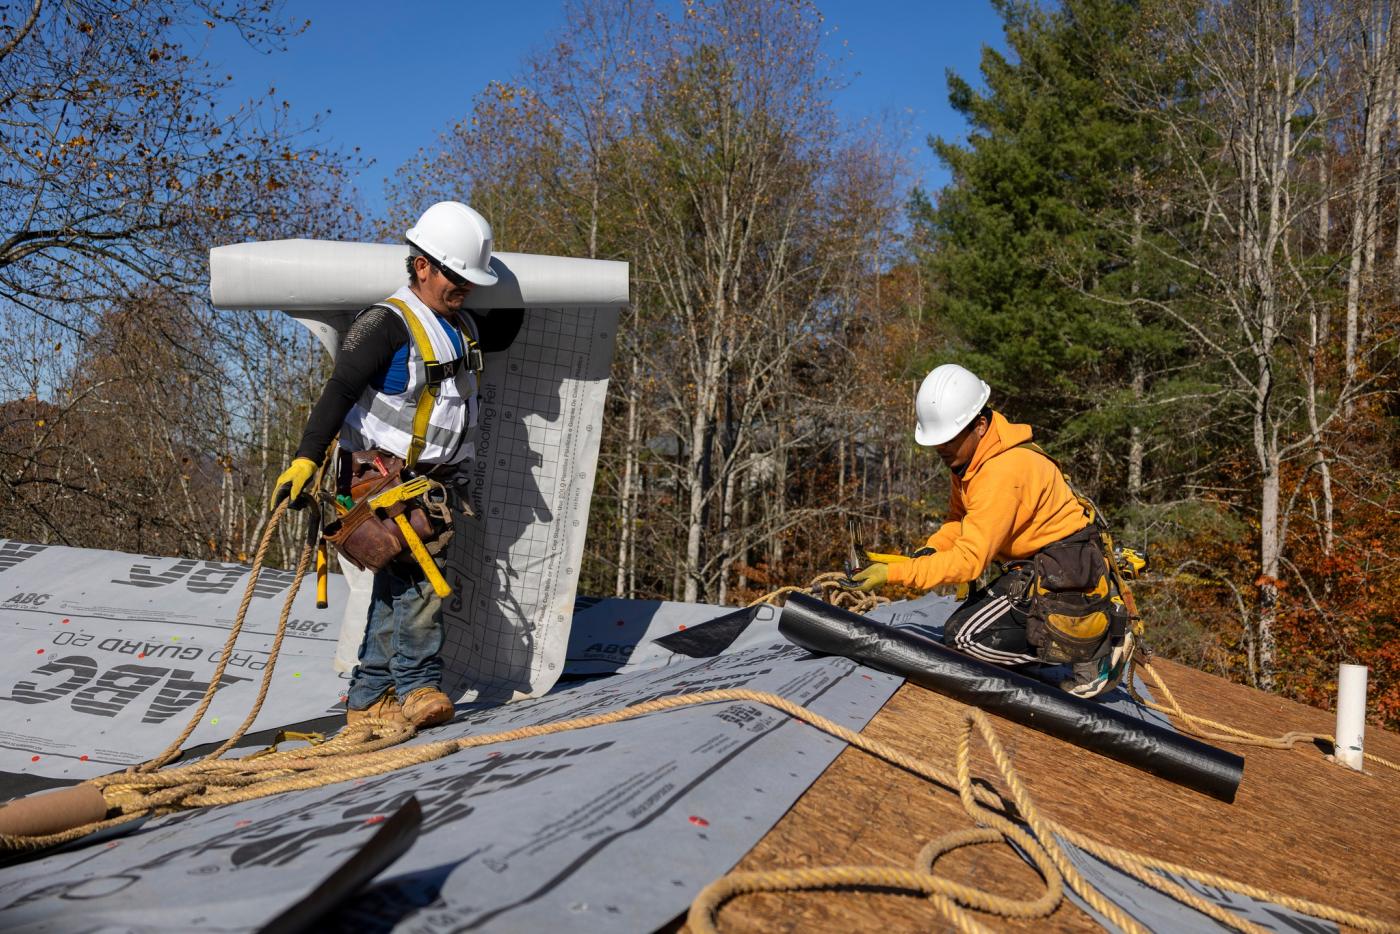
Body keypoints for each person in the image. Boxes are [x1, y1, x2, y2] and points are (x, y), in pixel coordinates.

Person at [271, 202, 523, 728]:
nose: (465, 288)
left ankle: (368, 697)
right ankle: (416, 686)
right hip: (381, 484)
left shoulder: (461, 323)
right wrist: (303, 459)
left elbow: (503, 334)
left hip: (426, 484)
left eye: (471, 279)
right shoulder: (387, 323)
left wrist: (530, 281)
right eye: (457, 276)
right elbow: (339, 389)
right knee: (420, 582)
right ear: (422, 265)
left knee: (397, 585)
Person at [850, 363, 1134, 698]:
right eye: (937, 440)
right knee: (968, 630)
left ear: (980, 425)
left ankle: (1095, 647)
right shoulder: (969, 461)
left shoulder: (1000, 471)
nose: (941, 449)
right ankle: (1058, 644)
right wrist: (931, 550)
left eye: (948, 439)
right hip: (1039, 565)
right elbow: (959, 520)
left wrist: (894, 573)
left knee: (963, 638)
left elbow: (970, 561)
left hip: (1065, 572)